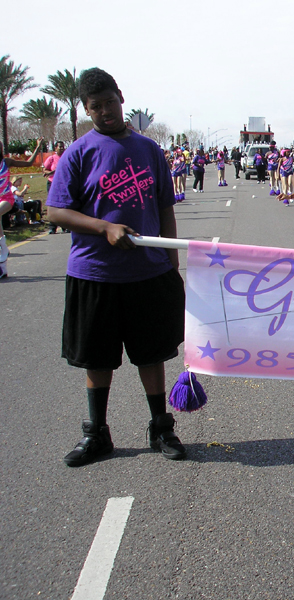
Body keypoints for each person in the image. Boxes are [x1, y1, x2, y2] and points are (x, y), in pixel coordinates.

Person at [45, 67, 186, 466]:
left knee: (151, 354)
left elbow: (165, 208)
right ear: (86, 109)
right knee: (97, 358)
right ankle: (97, 434)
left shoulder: (149, 150)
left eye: (110, 102)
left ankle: (161, 427)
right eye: (96, 107)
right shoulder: (78, 153)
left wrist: (172, 266)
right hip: (94, 274)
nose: (105, 111)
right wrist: (103, 227)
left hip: (148, 273)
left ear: (121, 97)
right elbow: (56, 211)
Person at [0, 138, 44, 277]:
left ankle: (3, 249)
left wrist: (37, 148)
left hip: (7, 199)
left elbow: (29, 163)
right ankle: (3, 254)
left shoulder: (6, 162)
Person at [43, 140, 67, 233]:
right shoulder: (52, 158)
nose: (61, 148)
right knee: (53, 205)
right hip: (52, 183)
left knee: (64, 205)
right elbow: (45, 170)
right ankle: (52, 227)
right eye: (59, 147)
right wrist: (53, 172)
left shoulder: (66, 157)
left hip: (63, 183)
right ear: (55, 148)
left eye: (62, 147)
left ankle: (65, 226)